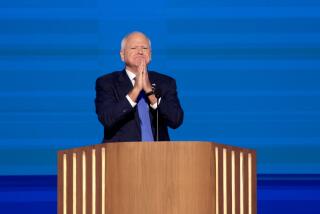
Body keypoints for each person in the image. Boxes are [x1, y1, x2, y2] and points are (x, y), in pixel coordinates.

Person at [95, 31, 183, 143]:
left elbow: (176, 120)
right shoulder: (107, 82)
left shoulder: (165, 82)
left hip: (159, 155)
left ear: (150, 55)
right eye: (133, 48)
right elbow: (107, 119)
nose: (140, 52)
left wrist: (150, 92)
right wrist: (136, 89)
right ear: (122, 55)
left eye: (144, 48)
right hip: (121, 155)